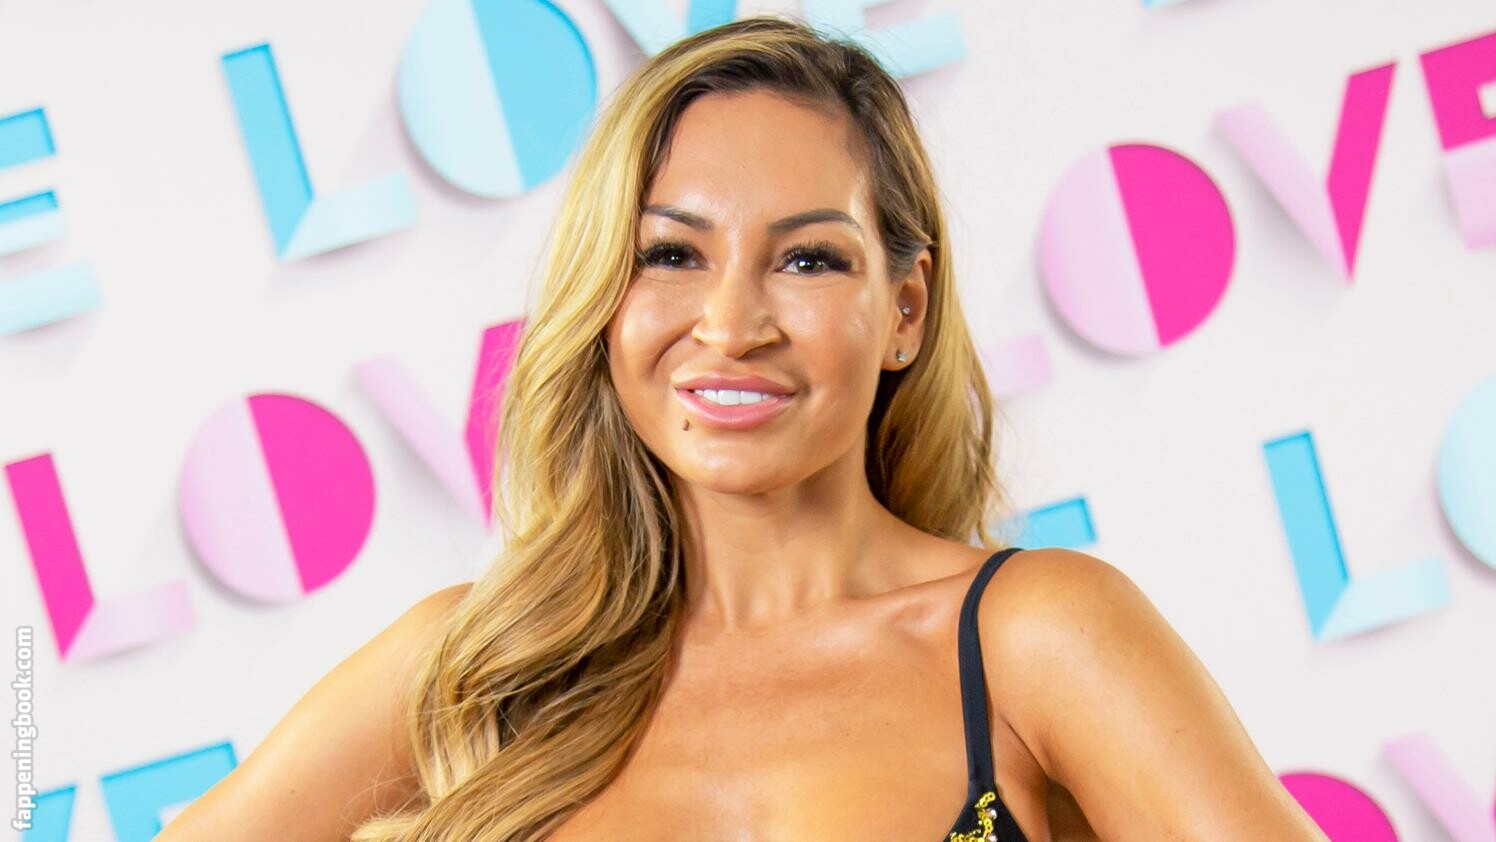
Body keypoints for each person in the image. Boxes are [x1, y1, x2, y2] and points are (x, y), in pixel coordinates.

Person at [161, 14, 1328, 841]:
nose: (729, 325)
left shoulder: (1033, 636)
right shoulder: (475, 669)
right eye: (670, 253)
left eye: (808, 259)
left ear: (903, 309)